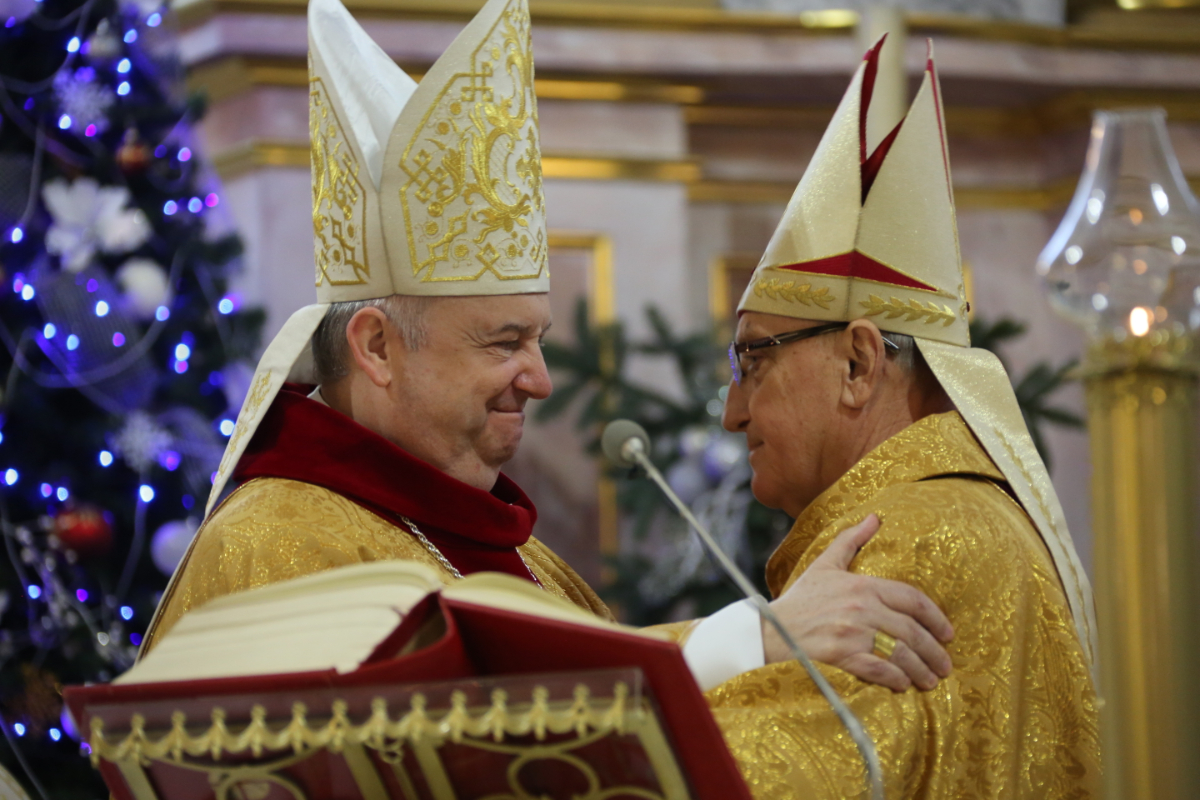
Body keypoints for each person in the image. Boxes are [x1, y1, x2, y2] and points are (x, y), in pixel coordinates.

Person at [139, 0, 956, 696]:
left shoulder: (511, 547)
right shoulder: (271, 549)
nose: (538, 379)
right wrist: (747, 640)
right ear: (377, 346)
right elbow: (455, 742)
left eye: (538, 339)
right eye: (505, 342)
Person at [703, 37, 1101, 799]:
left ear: (858, 364)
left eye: (753, 362)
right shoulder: (961, 510)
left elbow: (768, 778)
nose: (732, 413)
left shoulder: (902, 541)